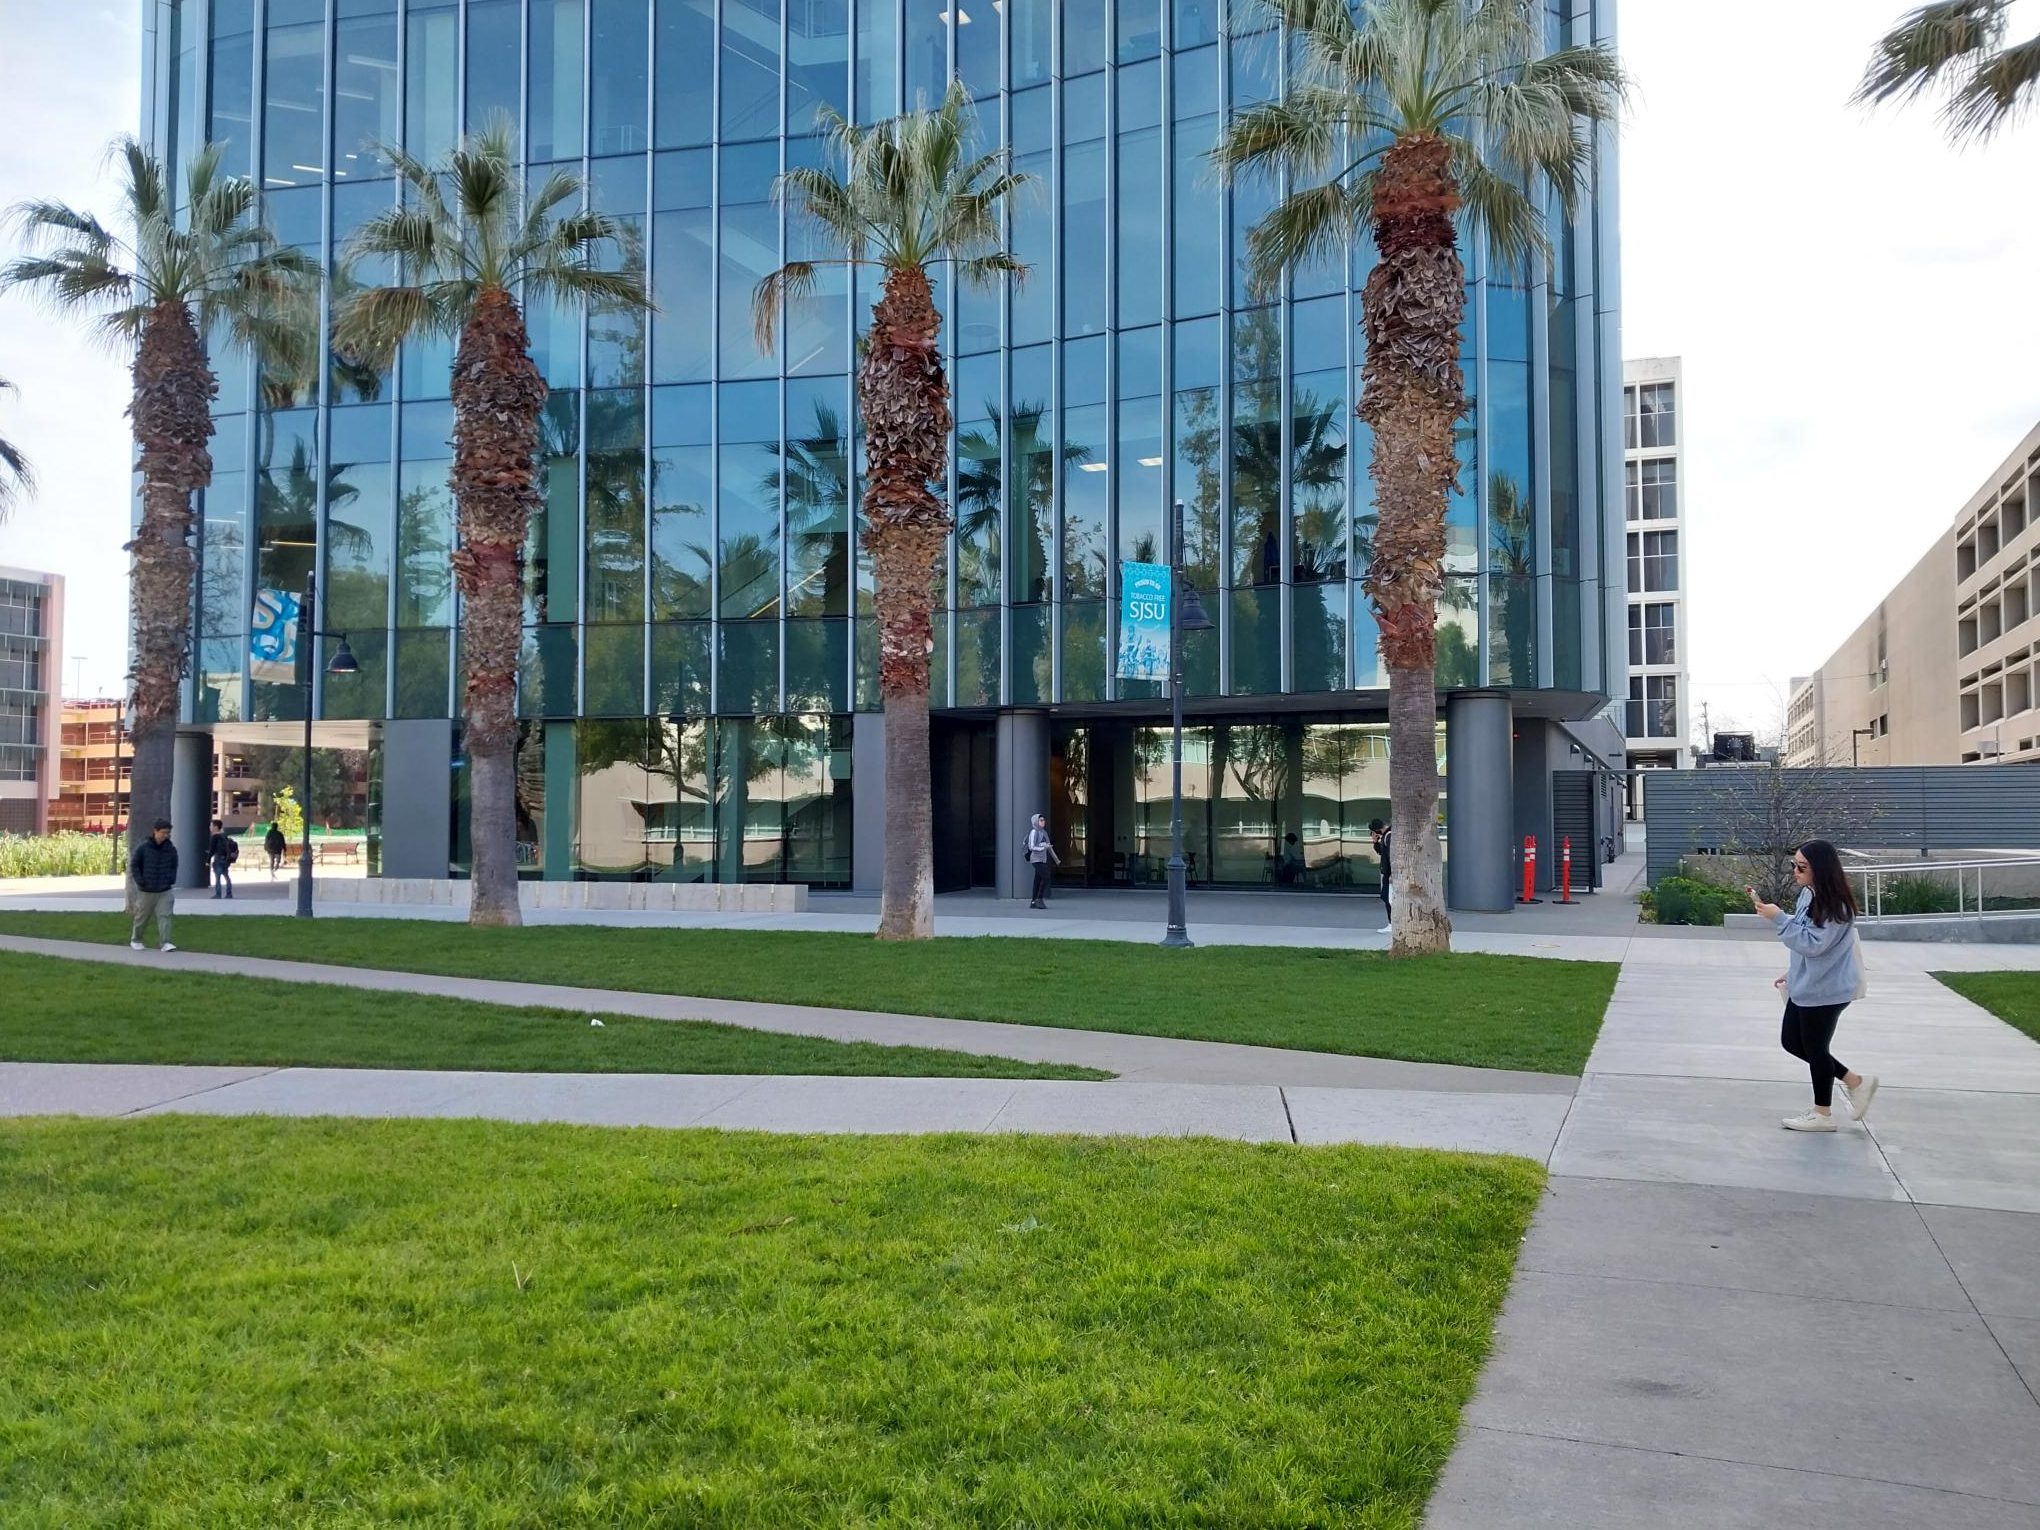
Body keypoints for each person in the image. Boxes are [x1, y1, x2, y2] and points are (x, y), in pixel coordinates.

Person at [1749, 838, 1877, 1132]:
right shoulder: (1809, 894)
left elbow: (1815, 944)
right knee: (1793, 1042)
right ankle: (1856, 1082)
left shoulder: (1837, 906)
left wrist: (1778, 917)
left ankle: (1823, 1114)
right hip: (1809, 983)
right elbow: (1806, 934)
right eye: (1794, 865)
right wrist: (1793, 971)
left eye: (1802, 867)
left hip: (1828, 990)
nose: (1796, 871)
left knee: (1816, 1048)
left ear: (1820, 869)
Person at [129, 818, 179, 953]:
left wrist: (171, 879)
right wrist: (140, 880)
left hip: (165, 889)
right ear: (155, 832)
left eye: (168, 833)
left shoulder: (171, 849)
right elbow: (134, 865)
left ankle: (166, 942)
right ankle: (136, 940)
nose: (166, 835)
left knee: (165, 916)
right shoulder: (143, 848)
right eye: (163, 832)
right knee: (142, 917)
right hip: (147, 890)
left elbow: (174, 865)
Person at [1025, 812, 1060, 909]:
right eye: (1041, 820)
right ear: (1036, 821)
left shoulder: (1044, 832)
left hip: (1042, 859)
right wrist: (1042, 847)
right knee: (1046, 877)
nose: (1043, 822)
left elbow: (1049, 847)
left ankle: (1033, 901)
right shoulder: (1034, 832)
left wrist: (1056, 859)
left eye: (1043, 820)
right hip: (1035, 859)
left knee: (1038, 879)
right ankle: (1039, 898)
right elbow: (1031, 847)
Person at [1370, 817, 1393, 934]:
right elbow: (1382, 852)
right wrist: (1375, 842)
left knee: (1389, 899)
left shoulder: (1388, 836)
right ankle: (1392, 923)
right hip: (1387, 874)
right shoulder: (1385, 837)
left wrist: (1392, 874)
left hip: (1389, 875)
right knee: (1386, 898)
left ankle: (1392, 923)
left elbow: (1391, 856)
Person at [207, 818, 238, 899]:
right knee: (226, 876)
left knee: (218, 877)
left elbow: (212, 850)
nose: (210, 827)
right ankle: (229, 893)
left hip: (218, 859)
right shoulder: (224, 836)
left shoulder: (215, 837)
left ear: (216, 827)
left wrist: (208, 860)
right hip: (226, 859)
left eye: (211, 826)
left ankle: (218, 894)